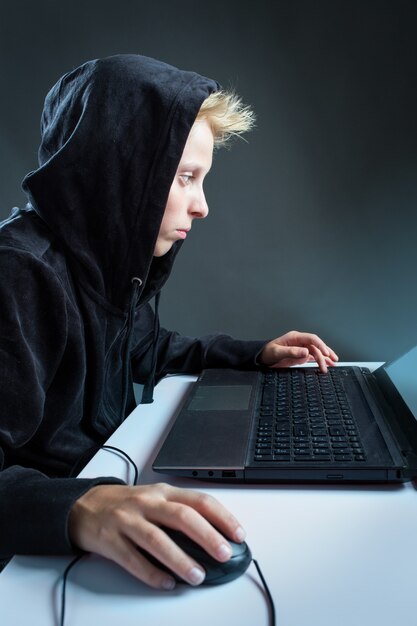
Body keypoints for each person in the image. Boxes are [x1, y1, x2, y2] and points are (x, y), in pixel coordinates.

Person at [0, 54, 338, 590]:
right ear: (119, 170)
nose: (201, 206)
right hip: (29, 561)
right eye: (185, 178)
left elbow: (148, 349)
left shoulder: (102, 265)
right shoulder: (18, 273)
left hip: (107, 489)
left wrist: (254, 353)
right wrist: (84, 506)